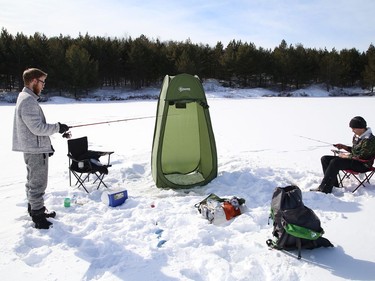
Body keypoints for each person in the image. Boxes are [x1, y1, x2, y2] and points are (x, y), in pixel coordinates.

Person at [12, 68, 69, 229]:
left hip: (33, 147)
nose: (44, 85)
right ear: (34, 81)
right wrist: (57, 127)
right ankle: (38, 217)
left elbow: (35, 129)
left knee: (32, 181)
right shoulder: (28, 101)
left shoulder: (25, 97)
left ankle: (35, 209)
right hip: (35, 150)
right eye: (42, 81)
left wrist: (57, 132)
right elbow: (37, 128)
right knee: (38, 184)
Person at [311, 116, 375, 194]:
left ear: (361, 128)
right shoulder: (359, 136)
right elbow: (356, 151)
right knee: (325, 159)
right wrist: (344, 147)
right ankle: (333, 185)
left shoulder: (369, 140)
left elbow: (362, 156)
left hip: (363, 165)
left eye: (354, 128)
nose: (352, 131)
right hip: (355, 161)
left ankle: (324, 189)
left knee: (335, 162)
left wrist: (346, 156)